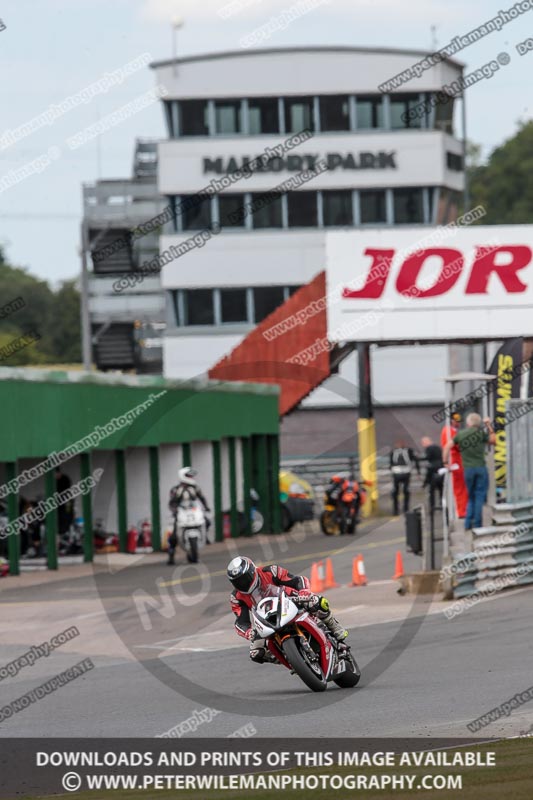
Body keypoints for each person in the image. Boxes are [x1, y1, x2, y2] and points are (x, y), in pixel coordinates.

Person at [228, 556, 348, 664]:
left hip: (289, 600)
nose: (242, 583)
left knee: (317, 602)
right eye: (237, 581)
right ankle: (290, 660)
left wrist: (304, 592)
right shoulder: (236, 597)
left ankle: (333, 625)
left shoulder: (270, 571)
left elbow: (298, 580)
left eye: (245, 578)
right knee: (256, 653)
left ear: (252, 571)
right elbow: (241, 622)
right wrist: (249, 632)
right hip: (265, 618)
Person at [442, 413, 496, 531]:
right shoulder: (481, 433)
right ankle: (477, 524)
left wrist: (445, 462)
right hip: (481, 468)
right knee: (480, 496)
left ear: (468, 423)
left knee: (470, 497)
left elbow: (447, 447)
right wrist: (489, 425)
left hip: (468, 470)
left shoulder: (460, 434)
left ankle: (467, 523)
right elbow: (493, 440)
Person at [167, 467, 210, 565]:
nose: (191, 477)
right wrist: (174, 510)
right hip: (181, 512)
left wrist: (206, 507)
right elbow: (172, 502)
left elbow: (202, 498)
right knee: (173, 535)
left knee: (207, 522)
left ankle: (205, 537)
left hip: (193, 511)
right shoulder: (176, 489)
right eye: (189, 476)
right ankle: (171, 553)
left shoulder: (195, 488)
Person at [440, 413, 468, 518]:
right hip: (455, 462)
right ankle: (462, 511)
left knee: (461, 488)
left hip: (457, 461)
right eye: (456, 421)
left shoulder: (450, 431)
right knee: (460, 488)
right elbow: (454, 447)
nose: (458, 423)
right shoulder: (449, 432)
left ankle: (463, 510)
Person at [389, 441, 419, 515]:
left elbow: (390, 463)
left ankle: (399, 509)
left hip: (399, 472)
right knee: (402, 491)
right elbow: (415, 460)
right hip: (403, 472)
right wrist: (418, 471)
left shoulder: (395, 452)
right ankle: (402, 509)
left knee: (399, 491)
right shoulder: (407, 451)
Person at [420, 436, 444, 511]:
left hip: (433, 471)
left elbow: (427, 457)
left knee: (432, 491)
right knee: (441, 489)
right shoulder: (438, 448)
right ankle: (442, 504)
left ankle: (432, 506)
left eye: (423, 443)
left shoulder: (429, 449)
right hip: (441, 469)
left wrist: (417, 458)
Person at [55, 468, 73, 537]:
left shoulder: (65, 479)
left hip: (65, 501)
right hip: (60, 503)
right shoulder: (55, 481)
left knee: (66, 515)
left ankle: (64, 530)